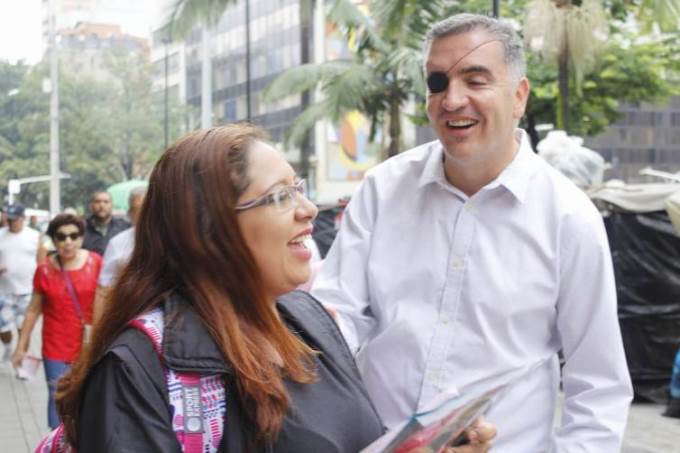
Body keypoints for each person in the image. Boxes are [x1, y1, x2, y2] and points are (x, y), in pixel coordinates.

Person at [52, 124, 494, 452]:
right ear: (210, 230)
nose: (308, 209)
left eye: (298, 189)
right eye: (281, 196)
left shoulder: (310, 319)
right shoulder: (136, 369)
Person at [312, 13, 633, 452]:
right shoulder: (383, 189)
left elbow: (598, 385)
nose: (452, 100)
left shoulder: (569, 217)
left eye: (475, 81)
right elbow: (339, 317)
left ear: (519, 96)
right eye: (438, 82)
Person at [11, 214, 102, 429]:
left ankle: (82, 438)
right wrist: (21, 347)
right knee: (57, 396)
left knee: (87, 395)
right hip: (55, 345)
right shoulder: (44, 270)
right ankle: (58, 440)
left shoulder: (96, 263)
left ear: (82, 238)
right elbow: (33, 310)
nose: (68, 241)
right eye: (61, 237)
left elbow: (108, 301)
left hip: (88, 344)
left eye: (73, 236)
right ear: (53, 240)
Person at [91, 185, 147, 324]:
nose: (143, 213)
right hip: (128, 320)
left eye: (147, 207)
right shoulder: (118, 244)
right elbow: (103, 291)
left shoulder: (172, 240)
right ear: (130, 213)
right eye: (137, 209)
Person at [0, 204, 40, 362]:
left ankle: (21, 360)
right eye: (9, 219)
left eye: (15, 220)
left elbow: (42, 263)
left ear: (23, 218)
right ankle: (8, 346)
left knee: (23, 329)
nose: (11, 223)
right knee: (3, 328)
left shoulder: (34, 236)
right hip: (4, 291)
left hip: (28, 292)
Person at [82, 190, 130, 256]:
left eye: (106, 202)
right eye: (97, 202)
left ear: (112, 205)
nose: (102, 205)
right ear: (91, 206)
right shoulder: (82, 228)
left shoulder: (124, 227)